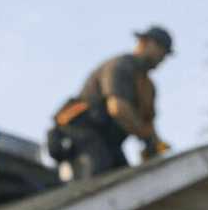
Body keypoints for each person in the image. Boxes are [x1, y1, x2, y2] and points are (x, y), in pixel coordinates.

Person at [48, 26, 172, 180]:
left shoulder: (147, 87)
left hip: (108, 141)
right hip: (82, 131)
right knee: (100, 178)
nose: (162, 57)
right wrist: (143, 134)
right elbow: (117, 108)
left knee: (126, 180)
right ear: (146, 43)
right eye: (161, 50)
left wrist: (154, 144)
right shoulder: (122, 65)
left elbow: (149, 123)